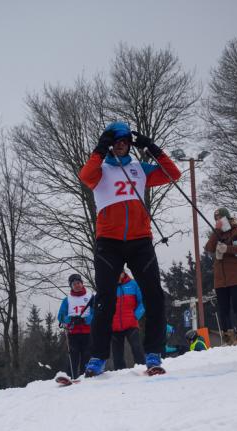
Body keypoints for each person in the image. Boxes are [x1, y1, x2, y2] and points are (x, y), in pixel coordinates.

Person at [79, 121, 181, 376]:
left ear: (130, 143)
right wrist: (99, 149)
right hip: (109, 243)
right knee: (104, 299)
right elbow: (85, 176)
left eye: (125, 140)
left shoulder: (140, 169)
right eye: (116, 140)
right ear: (110, 143)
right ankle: (98, 358)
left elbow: (173, 174)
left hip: (139, 241)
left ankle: (153, 353)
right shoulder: (100, 170)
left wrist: (153, 147)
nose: (121, 144)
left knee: (154, 296)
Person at [205, 207, 237, 345]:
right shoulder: (217, 234)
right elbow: (209, 248)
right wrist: (216, 231)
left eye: (220, 219)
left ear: (227, 218)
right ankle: (227, 334)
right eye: (216, 220)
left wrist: (228, 249)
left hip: (236, 277)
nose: (218, 222)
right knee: (223, 308)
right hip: (220, 279)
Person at [57, 274, 93, 379]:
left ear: (82, 283)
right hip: (73, 333)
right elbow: (61, 316)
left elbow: (96, 313)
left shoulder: (91, 297)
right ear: (71, 286)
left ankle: (84, 376)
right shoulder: (67, 300)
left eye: (78, 283)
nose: (77, 285)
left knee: (87, 356)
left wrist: (86, 320)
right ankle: (70, 377)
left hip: (87, 332)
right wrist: (71, 319)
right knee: (73, 356)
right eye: (74, 284)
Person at [111, 270, 145, 369]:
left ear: (123, 273)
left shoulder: (133, 284)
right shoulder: (109, 285)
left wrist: (135, 316)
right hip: (115, 325)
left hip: (131, 323)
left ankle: (142, 367)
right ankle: (119, 372)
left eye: (119, 273)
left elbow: (143, 302)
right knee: (117, 353)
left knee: (136, 347)